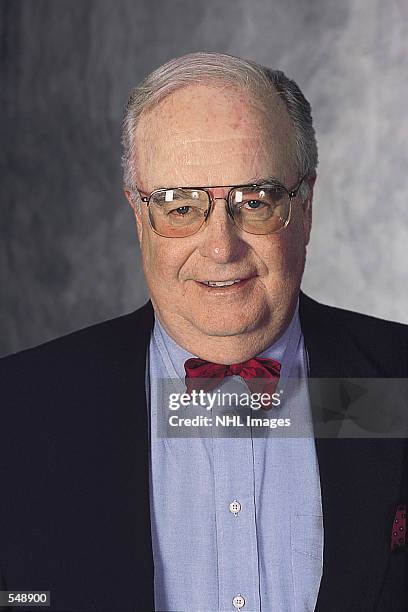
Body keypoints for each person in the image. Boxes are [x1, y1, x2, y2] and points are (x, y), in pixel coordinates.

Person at [1, 52, 407, 612]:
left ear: (305, 207)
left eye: (255, 202)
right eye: (180, 206)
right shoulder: (20, 408)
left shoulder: (398, 383)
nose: (221, 248)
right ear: (138, 216)